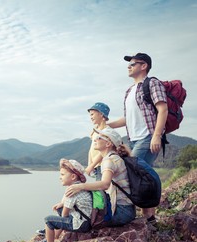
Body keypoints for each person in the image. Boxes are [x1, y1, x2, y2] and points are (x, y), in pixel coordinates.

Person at [107, 53, 168, 228]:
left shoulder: (152, 84)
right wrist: (105, 125)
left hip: (147, 137)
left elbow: (162, 109)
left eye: (133, 63)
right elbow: (126, 119)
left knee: (134, 175)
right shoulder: (129, 91)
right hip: (133, 140)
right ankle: (149, 219)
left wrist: (156, 135)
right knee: (139, 177)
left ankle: (146, 220)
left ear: (144, 66)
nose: (129, 66)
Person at [65, 127, 136, 228]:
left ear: (108, 144)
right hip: (127, 210)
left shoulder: (109, 160)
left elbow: (105, 184)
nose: (96, 139)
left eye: (99, 137)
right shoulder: (113, 157)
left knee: (83, 219)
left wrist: (80, 186)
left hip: (122, 212)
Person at [35, 158, 92, 242]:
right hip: (86, 221)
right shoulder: (80, 187)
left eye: (62, 174)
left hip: (80, 224)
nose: (60, 177)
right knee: (60, 208)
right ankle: (53, 236)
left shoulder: (72, 190)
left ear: (73, 176)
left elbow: (65, 214)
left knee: (48, 220)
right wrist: (62, 205)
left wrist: (57, 222)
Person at [85, 102, 110, 180]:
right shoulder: (95, 131)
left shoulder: (106, 131)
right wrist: (90, 164)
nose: (91, 117)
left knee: (103, 189)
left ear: (101, 114)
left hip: (103, 165)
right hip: (96, 166)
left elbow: (103, 152)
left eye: (92, 114)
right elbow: (91, 150)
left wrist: (92, 165)